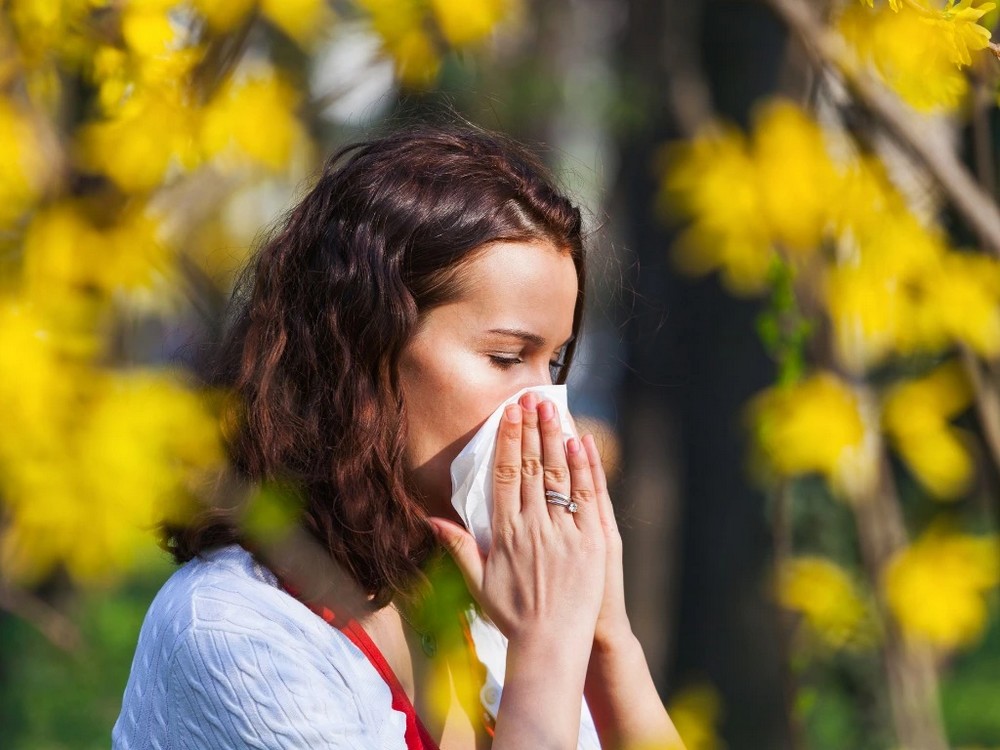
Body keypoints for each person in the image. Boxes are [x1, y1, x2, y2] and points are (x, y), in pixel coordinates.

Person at [112, 124, 684, 750]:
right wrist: (546, 651)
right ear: (362, 347)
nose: (546, 411)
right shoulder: (236, 634)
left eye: (552, 362)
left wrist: (605, 639)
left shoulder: (484, 603)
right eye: (505, 357)